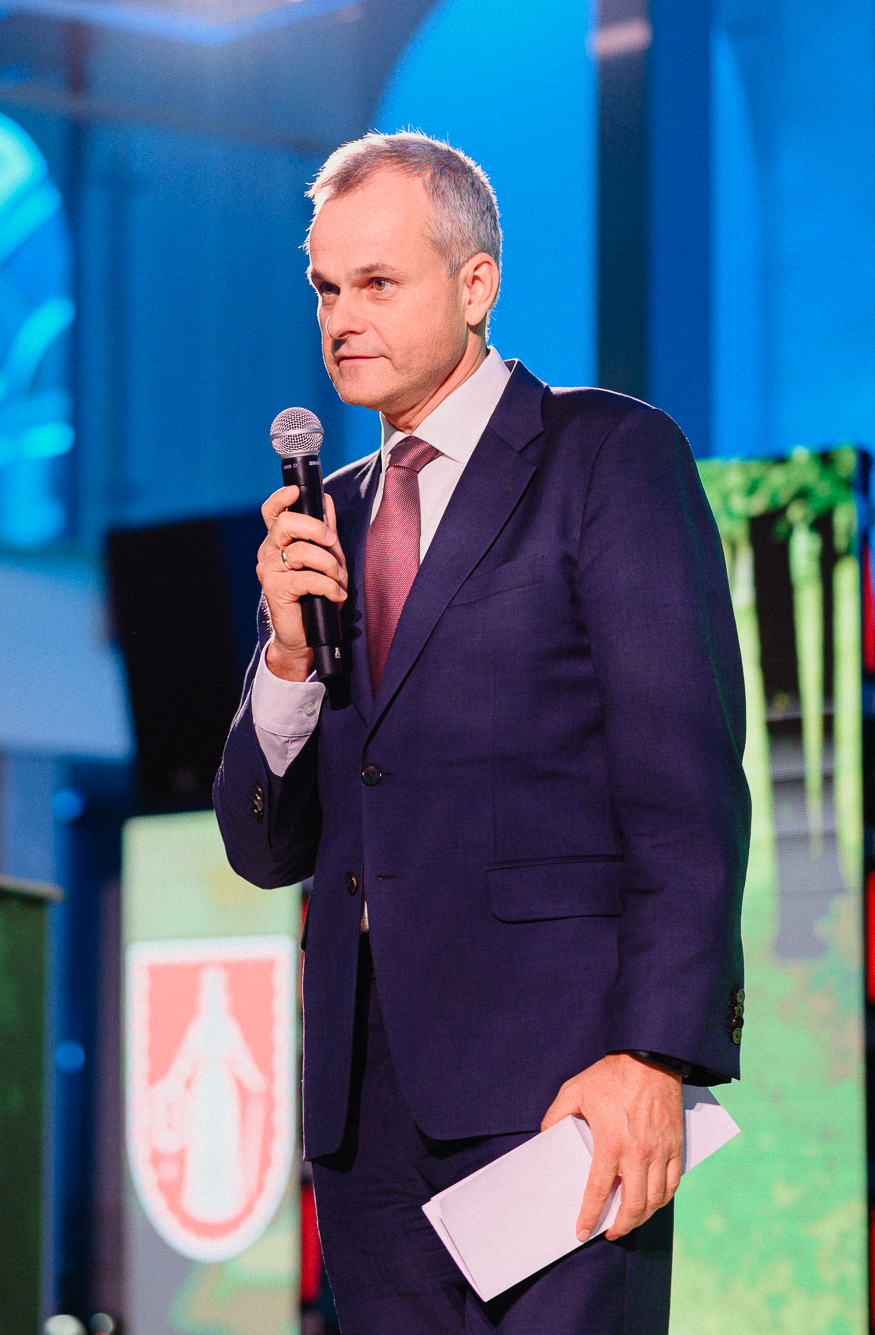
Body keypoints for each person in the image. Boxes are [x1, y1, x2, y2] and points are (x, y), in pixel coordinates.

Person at [213, 132, 748, 1333]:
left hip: (562, 1093)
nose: (341, 317)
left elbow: (682, 787)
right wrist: (287, 658)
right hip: (365, 1117)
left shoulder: (601, 453)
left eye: (376, 282)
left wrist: (654, 1054)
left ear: (474, 284)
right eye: (324, 289)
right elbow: (261, 844)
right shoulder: (327, 517)